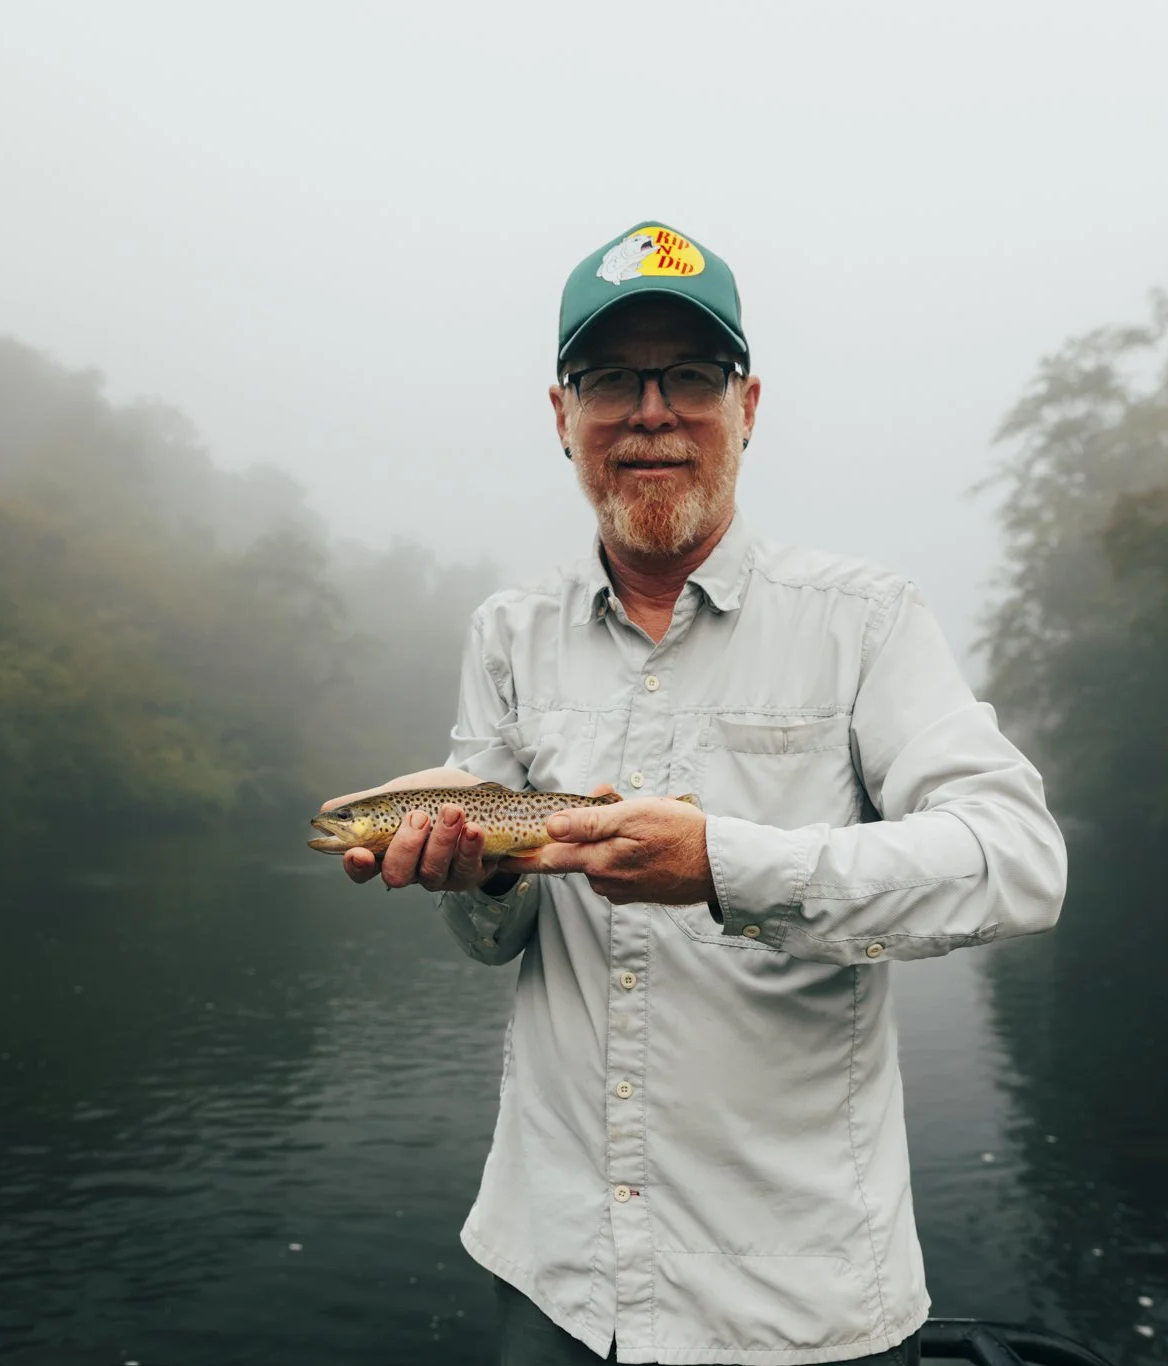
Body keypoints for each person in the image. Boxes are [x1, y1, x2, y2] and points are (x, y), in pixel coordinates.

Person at [324, 221, 1067, 1365]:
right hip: (555, 1280)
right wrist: (475, 874)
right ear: (562, 415)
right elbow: (496, 940)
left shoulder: (864, 620)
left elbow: (1016, 858)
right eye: (611, 377)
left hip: (799, 1304)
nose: (651, 410)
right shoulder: (506, 631)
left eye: (691, 375)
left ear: (748, 405)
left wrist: (721, 864)